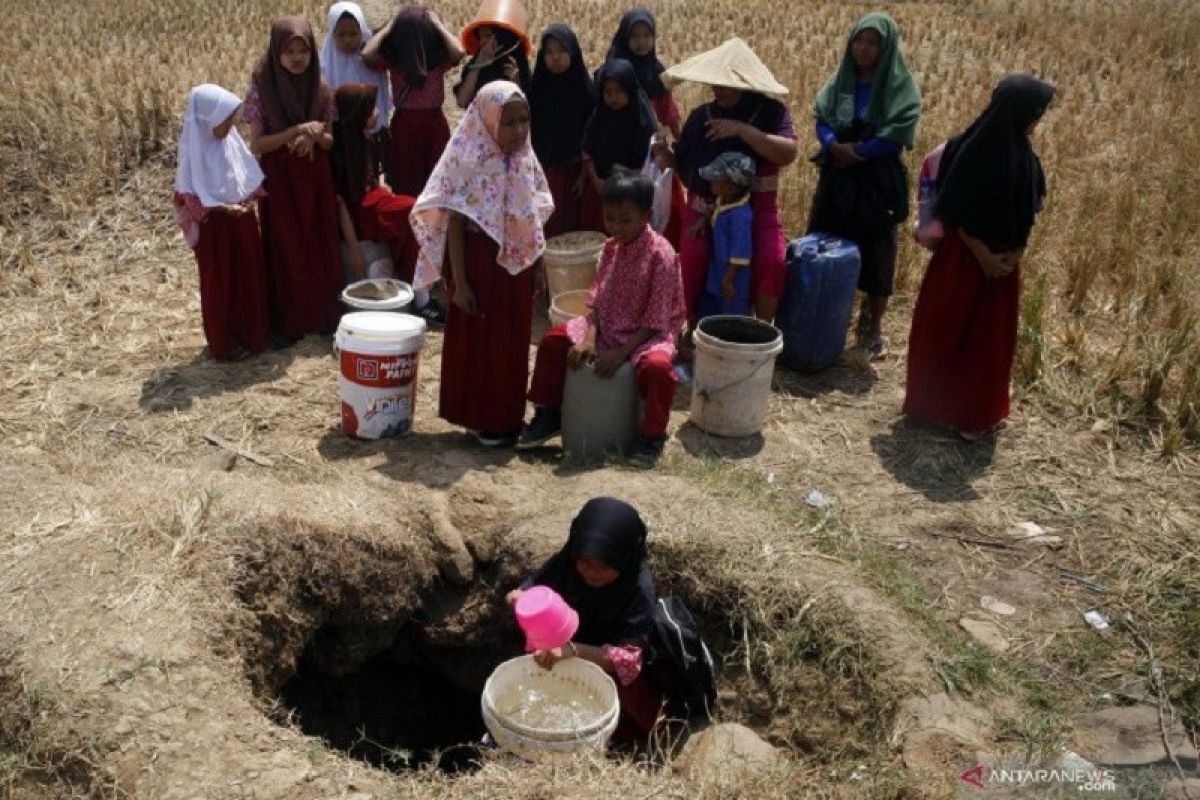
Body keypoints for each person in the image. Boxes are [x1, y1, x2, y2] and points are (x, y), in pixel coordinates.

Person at [903, 75, 1055, 441]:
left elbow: (1030, 210)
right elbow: (955, 205)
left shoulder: (1024, 156)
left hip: (1000, 265)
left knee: (986, 343)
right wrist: (984, 255)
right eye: (1037, 112)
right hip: (965, 260)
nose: (1039, 120)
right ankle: (931, 408)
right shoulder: (972, 150)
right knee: (948, 331)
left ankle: (973, 415)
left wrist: (1014, 253)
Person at [410, 81, 553, 447]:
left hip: (515, 268)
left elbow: (533, 216)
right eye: (510, 123)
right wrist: (460, 283)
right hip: (478, 263)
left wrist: (537, 266)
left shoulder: (525, 158)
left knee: (512, 340)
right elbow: (456, 222)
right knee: (479, 342)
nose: (519, 130)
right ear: (489, 120)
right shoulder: (468, 157)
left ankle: (505, 418)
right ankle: (480, 418)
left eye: (525, 121)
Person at [520, 174, 685, 467]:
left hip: (648, 334)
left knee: (658, 369)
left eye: (625, 220)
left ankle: (652, 438)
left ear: (646, 216)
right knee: (553, 342)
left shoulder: (663, 255)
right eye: (610, 219)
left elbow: (657, 319)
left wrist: (621, 353)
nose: (616, 227)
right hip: (607, 324)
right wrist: (590, 337)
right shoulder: (611, 248)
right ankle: (549, 414)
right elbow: (597, 300)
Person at [506, 497, 663, 746]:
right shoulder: (569, 561)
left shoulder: (638, 590)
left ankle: (621, 742)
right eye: (584, 562)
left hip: (609, 664)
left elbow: (628, 661)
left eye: (602, 566)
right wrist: (520, 596)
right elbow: (539, 583)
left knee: (632, 712)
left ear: (623, 560)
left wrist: (573, 650)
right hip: (561, 645)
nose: (589, 572)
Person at [809, 12, 921, 359]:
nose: (864, 48)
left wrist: (861, 152)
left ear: (886, 48)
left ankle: (872, 327)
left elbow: (898, 133)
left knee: (877, 253)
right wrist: (833, 146)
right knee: (826, 241)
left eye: (873, 42)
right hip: (838, 174)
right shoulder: (841, 80)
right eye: (859, 40)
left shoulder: (899, 87)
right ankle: (825, 316)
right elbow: (823, 118)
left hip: (876, 180)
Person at [668, 38, 798, 325]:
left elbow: (788, 152)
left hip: (759, 205)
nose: (718, 90)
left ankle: (760, 330)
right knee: (693, 256)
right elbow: (685, 166)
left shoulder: (771, 113)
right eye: (716, 82)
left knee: (771, 260)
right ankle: (693, 326)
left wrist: (741, 130)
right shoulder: (701, 116)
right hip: (706, 205)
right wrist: (667, 158)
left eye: (727, 83)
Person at [246, 16, 342, 342]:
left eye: (304, 50)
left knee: (317, 244)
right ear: (277, 53)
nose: (298, 58)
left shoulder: (321, 87)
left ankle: (318, 316)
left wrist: (316, 135)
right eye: (290, 51)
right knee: (286, 248)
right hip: (280, 179)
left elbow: (330, 141)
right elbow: (257, 144)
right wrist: (297, 131)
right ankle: (288, 322)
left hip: (315, 178)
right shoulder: (262, 90)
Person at [173, 84, 269, 361]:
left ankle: (253, 336)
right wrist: (223, 209)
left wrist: (248, 202)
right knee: (221, 282)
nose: (229, 126)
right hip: (216, 230)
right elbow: (186, 197)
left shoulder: (231, 144)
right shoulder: (194, 153)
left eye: (230, 119)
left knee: (248, 277)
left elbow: (247, 178)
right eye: (223, 120)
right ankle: (224, 343)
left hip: (242, 223)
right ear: (205, 120)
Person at [362, 6, 463, 197]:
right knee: (408, 185)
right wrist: (391, 25)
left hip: (432, 124)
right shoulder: (397, 60)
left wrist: (437, 24)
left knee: (438, 181)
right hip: (407, 126)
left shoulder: (434, 59)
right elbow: (367, 54)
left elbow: (458, 51)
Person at [330, 83, 419, 283]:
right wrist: (355, 252)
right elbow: (342, 202)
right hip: (361, 214)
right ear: (359, 114)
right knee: (410, 210)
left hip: (374, 202)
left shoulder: (366, 139)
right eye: (371, 110)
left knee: (416, 211)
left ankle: (416, 282)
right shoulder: (342, 152)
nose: (377, 112)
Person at [578, 59, 659, 235]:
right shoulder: (599, 116)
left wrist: (622, 186)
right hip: (600, 190)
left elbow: (649, 161)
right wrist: (597, 181)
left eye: (619, 91)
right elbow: (587, 152)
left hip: (632, 193)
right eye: (607, 92)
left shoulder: (641, 119)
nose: (613, 97)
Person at [528, 25, 594, 238]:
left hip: (577, 170)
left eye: (562, 50)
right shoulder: (535, 88)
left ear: (573, 52)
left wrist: (585, 173)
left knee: (575, 226)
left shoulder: (586, 90)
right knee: (548, 222)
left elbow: (591, 133)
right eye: (549, 52)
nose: (555, 57)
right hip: (544, 169)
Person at [320, 3, 392, 178]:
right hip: (339, 138)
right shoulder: (324, 65)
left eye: (353, 34)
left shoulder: (371, 60)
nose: (347, 40)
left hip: (370, 135)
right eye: (341, 35)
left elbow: (382, 97)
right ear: (332, 35)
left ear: (362, 31)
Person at [695, 152, 756, 318]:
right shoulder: (723, 202)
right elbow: (715, 216)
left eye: (715, 180)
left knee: (731, 322)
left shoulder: (740, 216)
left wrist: (728, 280)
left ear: (730, 187)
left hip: (732, 284)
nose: (710, 183)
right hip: (716, 278)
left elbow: (740, 253)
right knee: (709, 315)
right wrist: (702, 222)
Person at [454, 24, 531, 108]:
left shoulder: (516, 62)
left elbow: (523, 107)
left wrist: (516, 83)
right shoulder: (476, 61)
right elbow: (462, 101)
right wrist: (479, 64)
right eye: (480, 37)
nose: (482, 41)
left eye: (488, 35)